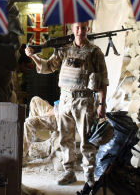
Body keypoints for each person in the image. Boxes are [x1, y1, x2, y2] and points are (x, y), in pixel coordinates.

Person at [25, 21, 108, 188]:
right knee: (65, 138)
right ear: (72, 29)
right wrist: (33, 55)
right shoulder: (64, 50)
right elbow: (47, 67)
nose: (80, 31)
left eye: (83, 28)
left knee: (87, 140)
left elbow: (103, 80)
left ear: (88, 29)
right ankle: (68, 171)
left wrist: (102, 104)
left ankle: (89, 174)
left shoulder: (94, 52)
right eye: (77, 27)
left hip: (84, 101)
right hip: (65, 100)